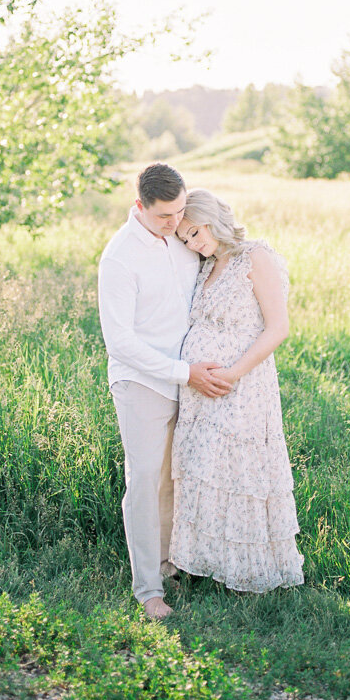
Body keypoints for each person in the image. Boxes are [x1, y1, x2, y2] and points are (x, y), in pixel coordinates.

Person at [98, 164, 233, 620]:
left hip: (189, 380)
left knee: (176, 480)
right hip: (143, 382)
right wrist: (183, 372)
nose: (174, 224)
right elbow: (120, 343)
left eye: (179, 213)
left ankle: (174, 564)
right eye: (163, 217)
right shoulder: (119, 258)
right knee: (144, 482)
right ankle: (148, 590)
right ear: (139, 207)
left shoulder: (181, 239)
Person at [169, 188, 304, 592]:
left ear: (213, 217)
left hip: (242, 385)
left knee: (240, 471)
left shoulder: (254, 256)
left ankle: (247, 567)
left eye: (195, 232)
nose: (194, 243)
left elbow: (277, 327)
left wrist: (232, 373)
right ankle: (204, 561)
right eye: (186, 239)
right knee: (205, 468)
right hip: (200, 388)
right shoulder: (204, 266)